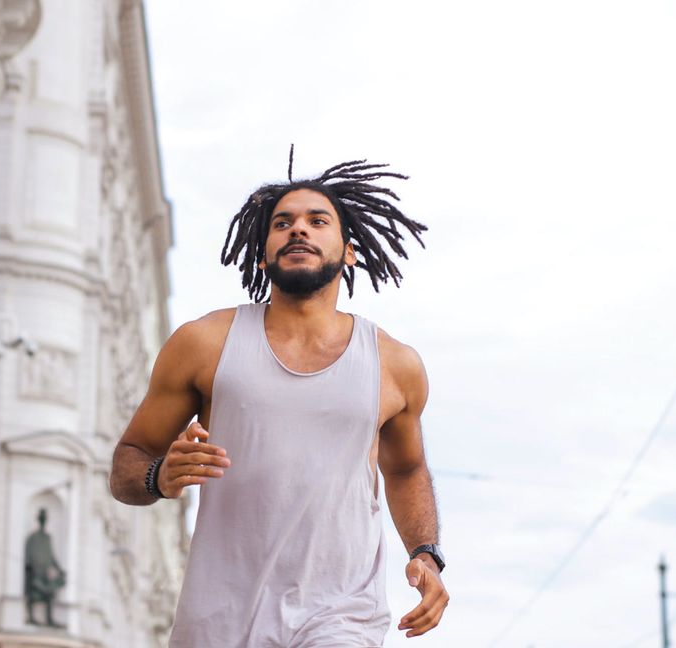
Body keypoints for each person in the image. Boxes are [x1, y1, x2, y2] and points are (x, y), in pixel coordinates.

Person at [109, 154, 448, 646]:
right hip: (221, 616)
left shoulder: (395, 365)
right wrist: (158, 475)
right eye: (283, 223)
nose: (298, 231)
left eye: (317, 221)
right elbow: (127, 463)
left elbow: (405, 469)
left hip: (342, 613)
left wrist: (425, 552)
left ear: (348, 251)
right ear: (264, 252)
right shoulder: (203, 343)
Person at [23, 508, 66, 627]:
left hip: (44, 573)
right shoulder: (33, 537)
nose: (43, 520)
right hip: (35, 572)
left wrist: (59, 569)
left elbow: (51, 556)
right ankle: (31, 617)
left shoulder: (47, 538)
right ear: (38, 519)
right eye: (42, 517)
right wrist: (29, 567)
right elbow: (28, 554)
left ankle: (49, 619)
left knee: (50, 593)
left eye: (44, 518)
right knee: (35, 593)